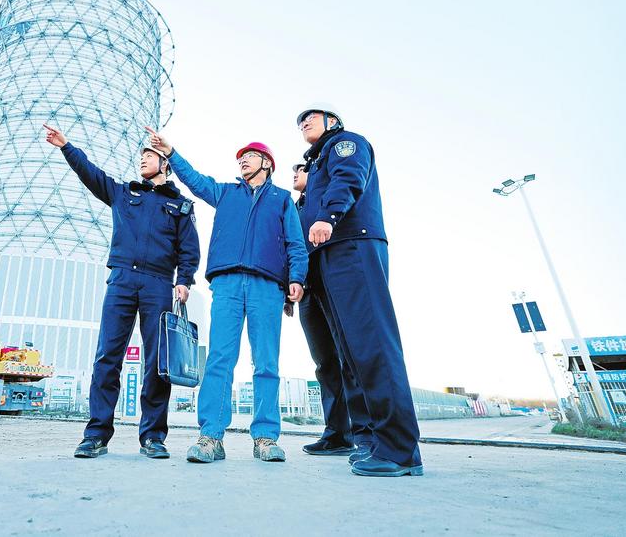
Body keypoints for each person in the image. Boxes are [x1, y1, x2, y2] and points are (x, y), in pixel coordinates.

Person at [145, 126, 307, 463]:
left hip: (267, 286)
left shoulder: (282, 200)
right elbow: (195, 180)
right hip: (228, 284)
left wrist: (297, 277)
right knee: (219, 358)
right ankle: (211, 437)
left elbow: (295, 243)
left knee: (266, 362)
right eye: (241, 158)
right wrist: (172, 153)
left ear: (267, 163)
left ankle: (265, 438)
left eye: (250, 156)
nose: (243, 161)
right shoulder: (226, 193)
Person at [44, 123, 201, 460]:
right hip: (121, 281)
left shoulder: (181, 206)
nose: (142, 159)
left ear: (165, 164)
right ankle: (96, 435)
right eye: (141, 156)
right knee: (107, 357)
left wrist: (184, 280)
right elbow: (91, 174)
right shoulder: (123, 193)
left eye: (150, 155)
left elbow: (189, 250)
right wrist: (66, 146)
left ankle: (153, 437)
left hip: (159, 284)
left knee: (157, 362)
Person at [295, 105, 423, 477]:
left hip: (351, 245)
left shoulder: (345, 144)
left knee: (373, 345)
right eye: (300, 121)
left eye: (311, 116)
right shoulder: (317, 163)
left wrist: (328, 215)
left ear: (332, 121)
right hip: (328, 255)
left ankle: (400, 451)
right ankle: (370, 442)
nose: (303, 122)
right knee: (351, 355)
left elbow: (349, 178)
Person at [290, 162, 373, 457]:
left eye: (301, 169)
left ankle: (367, 434)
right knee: (324, 363)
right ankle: (337, 434)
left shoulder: (326, 202)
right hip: (308, 290)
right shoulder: (294, 209)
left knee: (350, 357)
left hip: (334, 281)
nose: (295, 173)